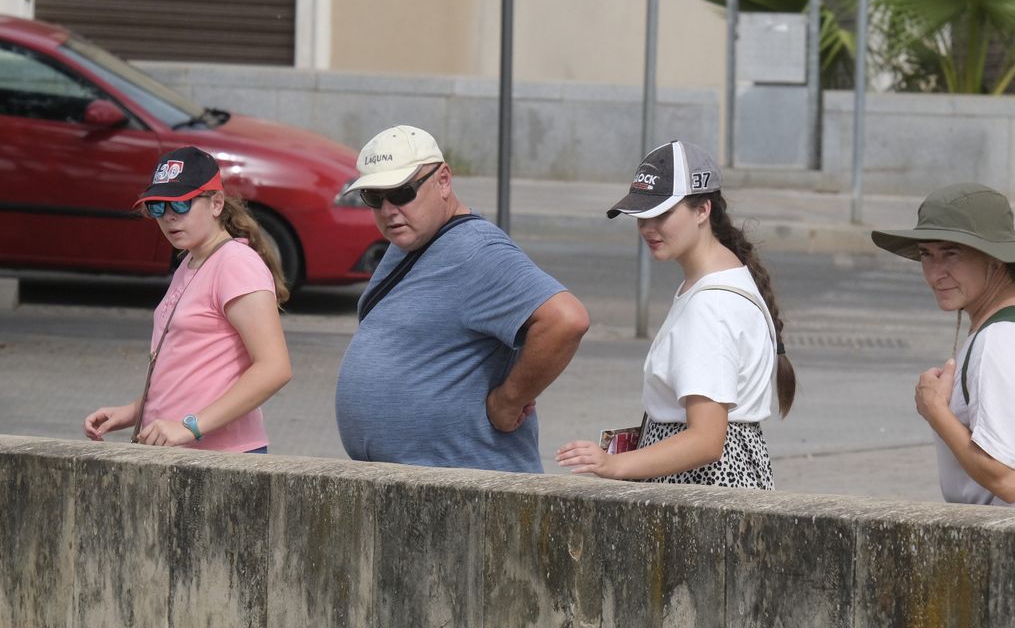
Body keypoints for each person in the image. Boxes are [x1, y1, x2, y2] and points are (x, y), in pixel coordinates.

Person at [334, 124, 589, 471]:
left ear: (443, 181)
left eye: (402, 192)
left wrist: (508, 401)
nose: (389, 210)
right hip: (414, 484)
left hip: (471, 491)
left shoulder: (476, 249)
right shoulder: (409, 241)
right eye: (374, 198)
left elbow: (566, 319)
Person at [555, 141, 794, 488]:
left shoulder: (708, 308)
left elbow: (707, 440)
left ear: (702, 211)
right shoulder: (725, 276)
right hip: (725, 481)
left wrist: (613, 464)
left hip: (702, 490)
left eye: (662, 213)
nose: (648, 227)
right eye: (641, 215)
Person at [871, 183, 1015, 511]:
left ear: (995, 259)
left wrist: (935, 410)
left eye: (951, 253)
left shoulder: (1001, 340)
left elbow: (1008, 478)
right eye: (926, 255)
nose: (934, 274)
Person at [83, 146, 292, 452]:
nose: (168, 218)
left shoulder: (235, 262)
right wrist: (133, 412)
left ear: (216, 203)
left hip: (224, 459)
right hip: (182, 456)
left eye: (180, 205)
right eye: (157, 207)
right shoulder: (192, 260)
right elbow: (186, 370)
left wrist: (190, 426)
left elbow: (275, 368)